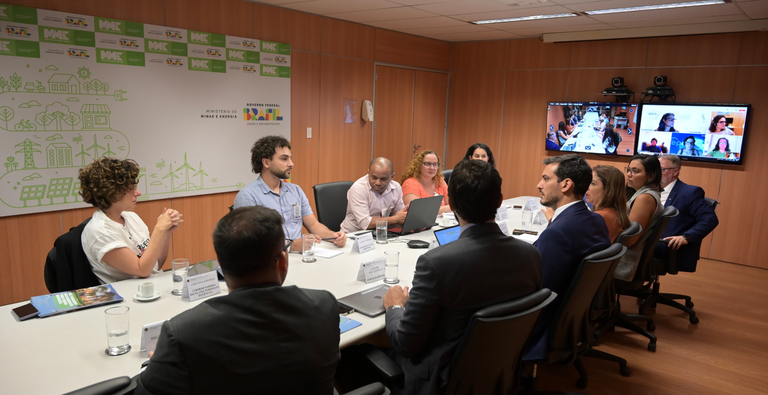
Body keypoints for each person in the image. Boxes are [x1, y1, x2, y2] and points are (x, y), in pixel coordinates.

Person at [135, 206, 340, 395]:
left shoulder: (183, 334)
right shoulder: (324, 305)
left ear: (222, 267)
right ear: (283, 263)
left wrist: (160, 364)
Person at [382, 159, 542, 395]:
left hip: (439, 380)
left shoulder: (437, 263)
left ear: (453, 204)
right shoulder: (531, 254)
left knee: (355, 355)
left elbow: (405, 343)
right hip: (497, 370)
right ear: (499, 201)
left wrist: (394, 306)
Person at [526, 154, 611, 360]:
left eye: (546, 179)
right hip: (572, 319)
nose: (539, 185)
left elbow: (537, 289)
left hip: (541, 326)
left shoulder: (559, 233)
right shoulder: (595, 220)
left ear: (566, 185)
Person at [78, 157, 183, 284]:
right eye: (131, 189)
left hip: (151, 287)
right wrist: (159, 229)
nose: (138, 193)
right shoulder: (100, 232)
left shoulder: (130, 217)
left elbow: (156, 266)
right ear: (112, 192)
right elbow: (142, 270)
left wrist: (166, 233)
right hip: (128, 297)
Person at [233, 135, 346, 248]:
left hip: (300, 257)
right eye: (284, 159)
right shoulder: (248, 196)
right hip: (270, 261)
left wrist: (333, 236)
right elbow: (250, 241)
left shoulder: (296, 190)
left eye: (290, 158)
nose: (291, 164)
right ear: (266, 163)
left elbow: (314, 225)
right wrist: (290, 246)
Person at [655, 155, 719, 272]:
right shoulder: (649, 189)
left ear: (675, 171)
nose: (656, 173)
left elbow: (709, 219)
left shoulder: (690, 193)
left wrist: (686, 237)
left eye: (662, 170)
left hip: (665, 246)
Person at [614, 154, 664, 281]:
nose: (629, 174)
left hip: (624, 262)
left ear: (651, 176)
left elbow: (630, 240)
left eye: (635, 171)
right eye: (629, 170)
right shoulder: (642, 193)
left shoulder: (645, 198)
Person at [340, 157, 408, 233]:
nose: (378, 183)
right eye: (374, 178)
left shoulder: (396, 187)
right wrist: (396, 219)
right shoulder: (358, 188)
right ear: (368, 173)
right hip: (354, 235)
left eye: (383, 179)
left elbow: (399, 215)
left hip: (381, 234)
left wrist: (403, 216)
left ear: (392, 177)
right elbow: (365, 223)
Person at [586, 165, 630, 242]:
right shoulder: (614, 213)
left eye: (593, 183)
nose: (586, 186)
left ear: (609, 190)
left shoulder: (600, 217)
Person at [401, 150, 452, 215]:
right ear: (419, 165)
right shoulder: (410, 184)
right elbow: (420, 212)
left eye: (435, 164)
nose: (432, 168)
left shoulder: (439, 180)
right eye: (427, 164)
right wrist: (448, 208)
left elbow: (452, 204)